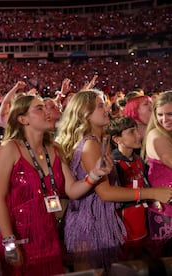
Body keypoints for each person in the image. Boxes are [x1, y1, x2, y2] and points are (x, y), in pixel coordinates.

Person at [0, 94, 112, 276]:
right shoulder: (9, 149)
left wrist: (94, 175)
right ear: (22, 119)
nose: (47, 112)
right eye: (39, 108)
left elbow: (71, 190)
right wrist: (9, 243)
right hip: (20, 238)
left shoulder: (55, 149)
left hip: (49, 237)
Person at [55, 89, 172, 272]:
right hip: (89, 223)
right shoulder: (90, 144)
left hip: (100, 219)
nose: (107, 108)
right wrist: (152, 193)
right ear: (85, 113)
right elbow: (105, 192)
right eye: (100, 105)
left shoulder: (100, 140)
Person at [105, 116, 151, 259]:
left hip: (141, 222)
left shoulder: (138, 159)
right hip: (125, 227)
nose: (138, 135)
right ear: (117, 139)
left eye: (137, 131)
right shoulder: (114, 164)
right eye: (132, 132)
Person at [142, 91, 172, 246]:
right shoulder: (157, 135)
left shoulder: (167, 134)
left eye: (169, 114)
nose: (164, 119)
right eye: (160, 114)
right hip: (166, 210)